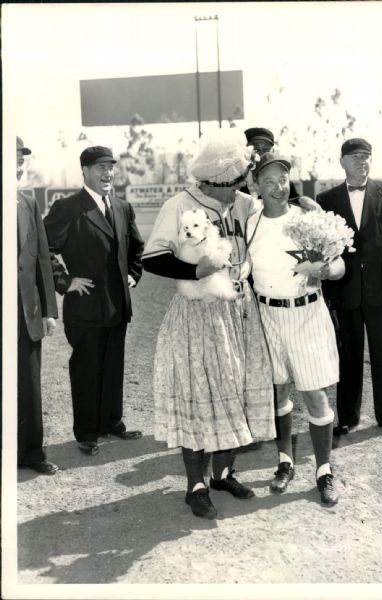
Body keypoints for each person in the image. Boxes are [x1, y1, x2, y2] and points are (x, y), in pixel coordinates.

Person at [142, 131, 275, 519]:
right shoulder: (180, 204)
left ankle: (224, 473)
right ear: (215, 181)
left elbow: (269, 232)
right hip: (197, 315)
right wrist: (195, 268)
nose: (241, 187)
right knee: (198, 397)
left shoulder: (246, 204)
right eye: (235, 182)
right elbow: (153, 257)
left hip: (239, 311)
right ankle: (195, 486)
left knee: (237, 392)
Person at [246, 152, 344, 506]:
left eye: (282, 180)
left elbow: (339, 266)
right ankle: (285, 462)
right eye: (268, 181)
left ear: (290, 181)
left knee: (315, 395)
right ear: (256, 185)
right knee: (279, 392)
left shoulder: (307, 217)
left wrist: (326, 271)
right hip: (267, 316)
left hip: (305, 314)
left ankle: (323, 471)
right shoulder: (250, 222)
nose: (276, 187)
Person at [43, 146, 144, 456]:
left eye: (110, 167)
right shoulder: (69, 207)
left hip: (117, 305)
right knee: (87, 368)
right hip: (85, 307)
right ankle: (87, 431)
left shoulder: (122, 207)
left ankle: (111, 422)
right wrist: (65, 281)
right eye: (100, 167)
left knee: (113, 365)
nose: (107, 173)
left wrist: (133, 275)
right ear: (84, 171)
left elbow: (136, 247)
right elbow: (43, 249)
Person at [317, 138, 382, 439]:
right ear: (342, 161)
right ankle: (347, 416)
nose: (362, 161)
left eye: (367, 156)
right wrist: (326, 290)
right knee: (348, 354)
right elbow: (323, 247)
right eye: (355, 156)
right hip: (345, 289)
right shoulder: (327, 199)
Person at [17, 136, 59, 475]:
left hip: (25, 310)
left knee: (29, 383)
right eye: (14, 158)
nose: (19, 164)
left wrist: (48, 310)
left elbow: (42, 258)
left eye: (21, 159)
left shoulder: (27, 202)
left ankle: (32, 453)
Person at [241, 127, 306, 203]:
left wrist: (302, 200)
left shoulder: (282, 180)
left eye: (266, 149)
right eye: (256, 149)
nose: (261, 154)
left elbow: (292, 202)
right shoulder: (234, 180)